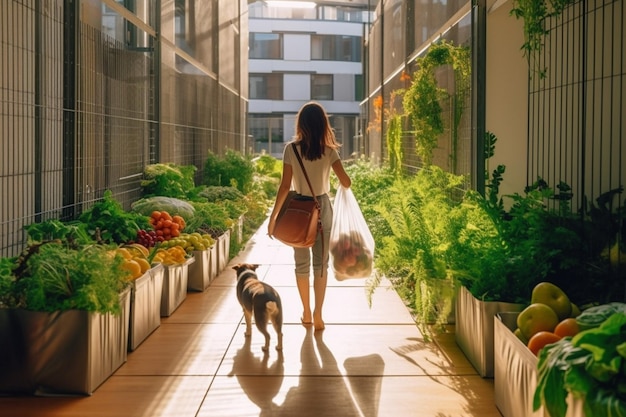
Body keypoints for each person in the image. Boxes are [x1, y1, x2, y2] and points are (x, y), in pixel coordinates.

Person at [267, 102, 351, 331]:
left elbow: (284, 187)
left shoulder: (291, 150)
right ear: (324, 124)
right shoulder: (330, 151)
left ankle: (305, 311)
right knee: (321, 265)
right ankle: (319, 315)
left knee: (301, 263)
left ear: (301, 124)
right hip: (322, 208)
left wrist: (274, 218)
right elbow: (346, 182)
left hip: (299, 211)